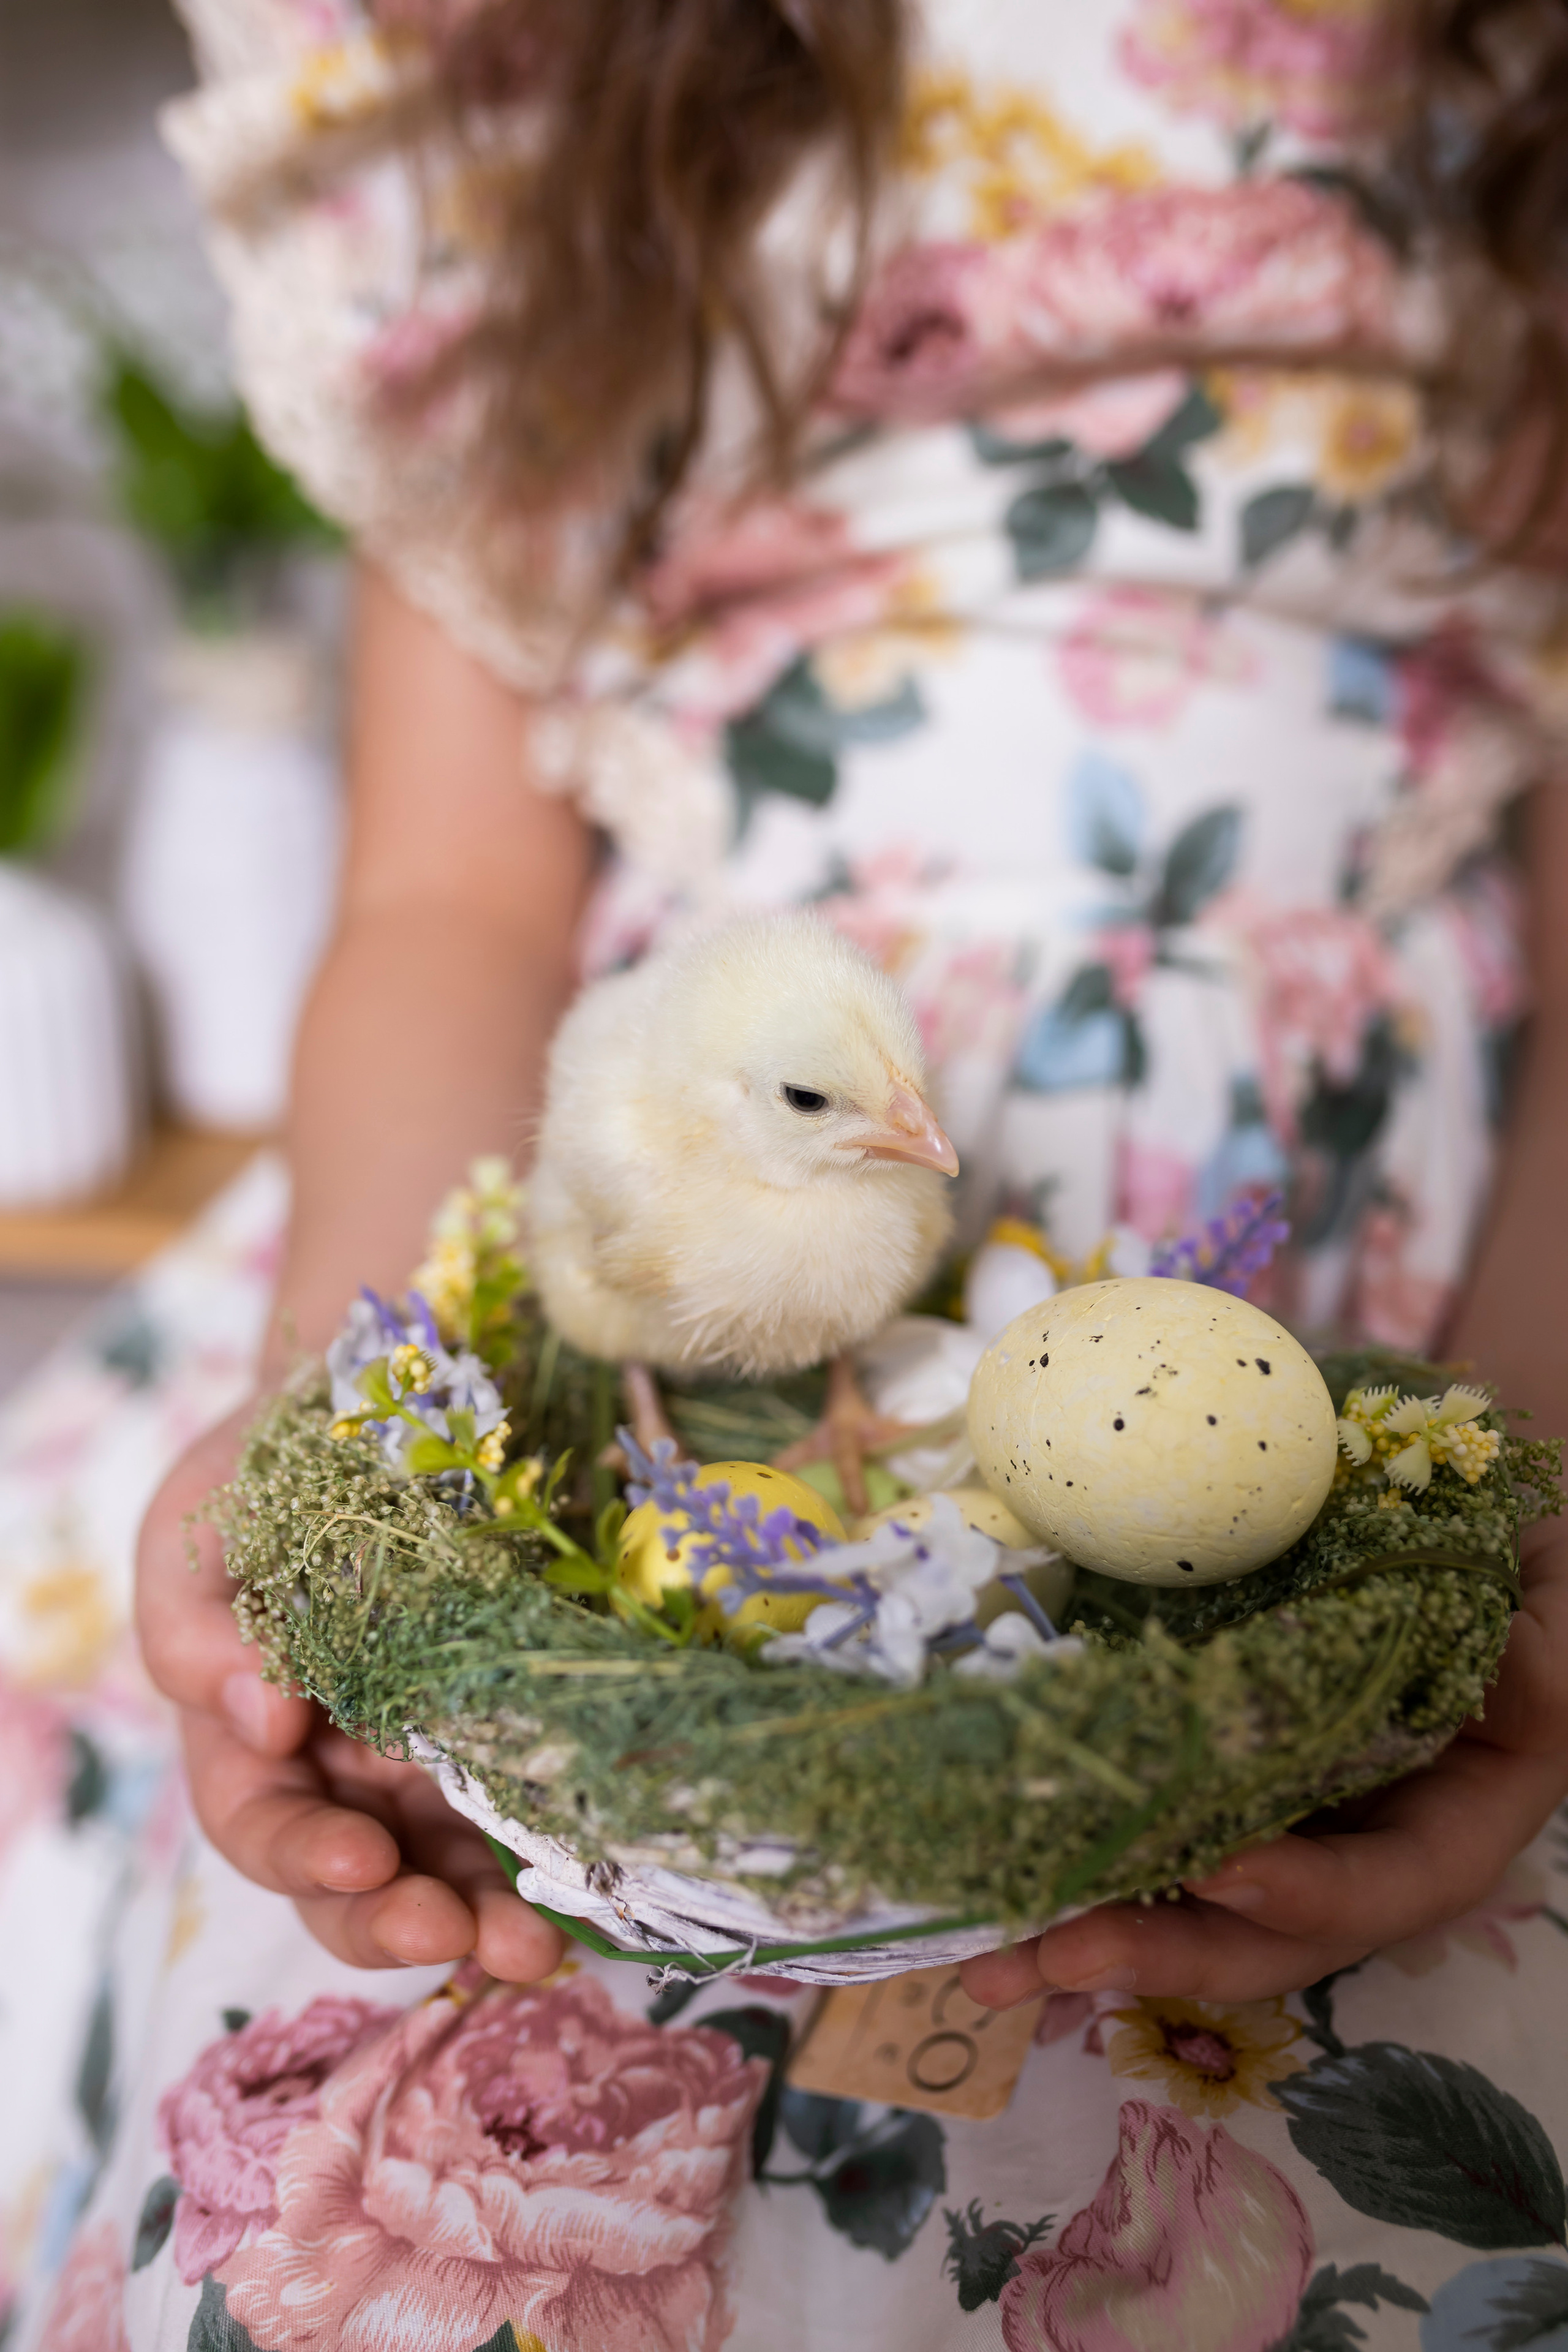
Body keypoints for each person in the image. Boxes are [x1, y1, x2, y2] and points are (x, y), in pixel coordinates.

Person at [10, 0, 1568, 2342]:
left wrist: (1519, 1537)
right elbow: (451, 904)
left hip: (1401, 1258)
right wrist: (365, 1405)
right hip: (635, 1180)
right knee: (370, 2191)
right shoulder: (525, 63)